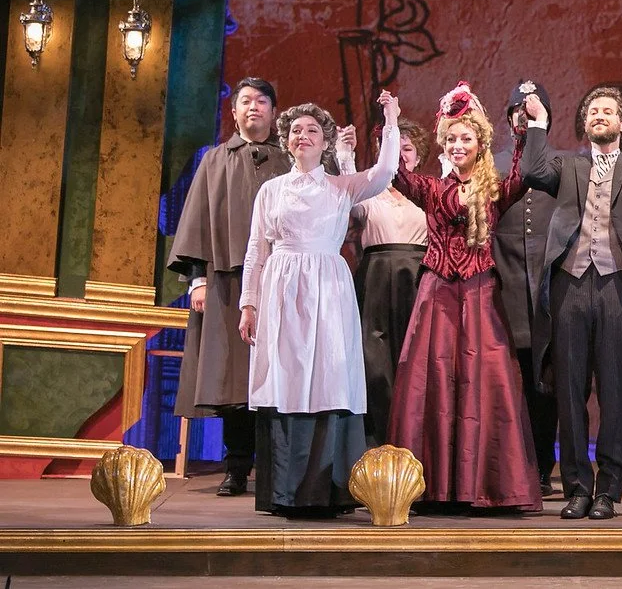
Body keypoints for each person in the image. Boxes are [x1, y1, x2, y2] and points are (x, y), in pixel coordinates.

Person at [238, 91, 401, 517]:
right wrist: (248, 304)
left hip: (327, 286)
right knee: (287, 374)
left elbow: (385, 172)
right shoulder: (271, 190)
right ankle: (284, 490)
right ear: (287, 141)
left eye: (312, 130)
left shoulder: (340, 186)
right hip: (282, 286)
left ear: (326, 142)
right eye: (296, 131)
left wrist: (390, 118)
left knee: (327, 372)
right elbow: (256, 249)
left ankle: (325, 488)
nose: (303, 136)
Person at [522, 88, 622, 520]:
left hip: (616, 287)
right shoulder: (568, 166)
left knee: (614, 391)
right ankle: (576, 486)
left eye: (608, 111)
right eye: (592, 111)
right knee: (570, 392)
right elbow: (533, 170)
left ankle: (609, 489)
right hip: (570, 285)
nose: (599, 116)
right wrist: (538, 121)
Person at [386, 83, 542, 512]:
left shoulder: (494, 190)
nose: (457, 145)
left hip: (479, 296)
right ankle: (432, 485)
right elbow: (396, 174)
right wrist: (389, 121)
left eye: (465, 138)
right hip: (436, 295)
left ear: (480, 143)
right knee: (431, 382)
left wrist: (525, 128)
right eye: (451, 139)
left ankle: (483, 486)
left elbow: (522, 173)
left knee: (482, 382)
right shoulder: (432, 189)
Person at [168, 77, 291, 497]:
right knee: (232, 381)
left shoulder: (290, 162)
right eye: (245, 101)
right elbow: (198, 220)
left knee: (278, 374)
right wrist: (198, 279)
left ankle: (276, 469)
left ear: (274, 112)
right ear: (234, 111)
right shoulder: (216, 160)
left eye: (262, 101)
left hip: (280, 283)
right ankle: (237, 467)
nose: (254, 107)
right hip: (226, 282)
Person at [341, 120, 431, 447]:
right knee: (374, 364)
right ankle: (377, 446)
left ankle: (414, 446)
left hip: (418, 279)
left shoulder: (428, 193)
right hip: (376, 279)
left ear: (418, 156)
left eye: (406, 149)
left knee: (415, 363)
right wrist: (346, 157)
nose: (400, 157)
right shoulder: (370, 194)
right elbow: (349, 199)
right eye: (393, 150)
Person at [492, 80, 559, 497]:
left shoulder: (562, 165)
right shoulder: (491, 163)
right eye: (518, 108)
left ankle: (541, 466)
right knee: (507, 384)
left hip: (550, 292)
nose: (524, 114)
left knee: (546, 385)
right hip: (504, 289)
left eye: (532, 108)